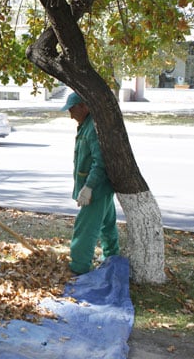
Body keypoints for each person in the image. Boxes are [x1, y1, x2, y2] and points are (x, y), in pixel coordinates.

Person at [61, 92, 119, 274]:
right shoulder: (86, 124)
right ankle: (111, 257)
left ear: (84, 106)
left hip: (97, 190)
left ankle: (79, 267)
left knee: (85, 229)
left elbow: (100, 162)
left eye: (72, 110)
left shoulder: (92, 128)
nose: (71, 115)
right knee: (107, 224)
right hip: (103, 189)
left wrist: (88, 188)